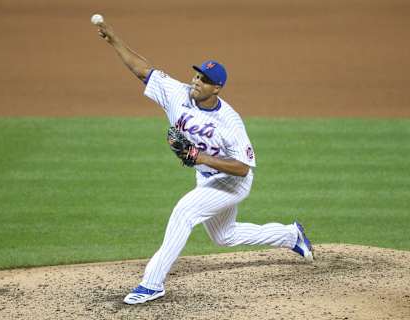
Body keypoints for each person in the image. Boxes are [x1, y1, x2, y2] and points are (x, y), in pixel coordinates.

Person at [93, 19, 314, 305]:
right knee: (225, 236)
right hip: (206, 177)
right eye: (197, 76)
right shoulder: (177, 93)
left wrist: (200, 157)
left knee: (184, 212)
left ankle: (152, 283)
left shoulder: (230, 122)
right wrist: (114, 40)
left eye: (205, 80)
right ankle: (290, 235)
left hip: (233, 181)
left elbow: (243, 167)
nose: (197, 82)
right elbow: (142, 70)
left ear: (217, 88)